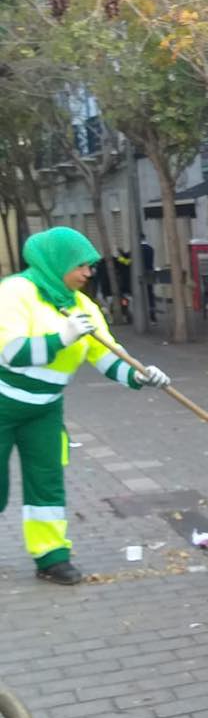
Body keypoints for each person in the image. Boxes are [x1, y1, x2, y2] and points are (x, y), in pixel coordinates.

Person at [0, 227, 170, 586]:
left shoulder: (81, 305)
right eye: (81, 266)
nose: (88, 273)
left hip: (43, 410)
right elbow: (11, 353)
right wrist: (63, 336)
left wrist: (140, 376)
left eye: (90, 266)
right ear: (57, 262)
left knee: (47, 483)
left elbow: (107, 356)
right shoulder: (16, 292)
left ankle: (52, 557)